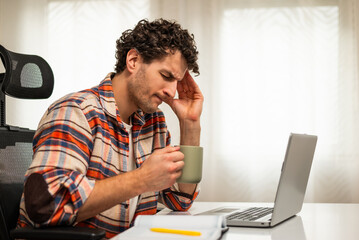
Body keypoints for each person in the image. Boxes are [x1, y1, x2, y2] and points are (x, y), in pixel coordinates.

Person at [17, 18, 203, 239]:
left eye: (177, 81)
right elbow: (47, 203)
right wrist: (142, 179)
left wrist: (190, 123)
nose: (172, 92)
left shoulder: (154, 123)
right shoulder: (76, 111)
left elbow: (180, 198)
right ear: (133, 60)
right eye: (166, 76)